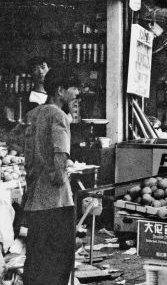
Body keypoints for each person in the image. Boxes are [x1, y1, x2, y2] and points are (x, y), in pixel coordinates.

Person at [23, 66, 79, 285]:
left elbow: (26, 153)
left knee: (36, 260)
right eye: (74, 88)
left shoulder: (33, 114)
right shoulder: (59, 116)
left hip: (34, 200)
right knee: (58, 263)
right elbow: (60, 158)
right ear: (60, 90)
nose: (77, 93)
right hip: (55, 202)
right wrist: (60, 176)